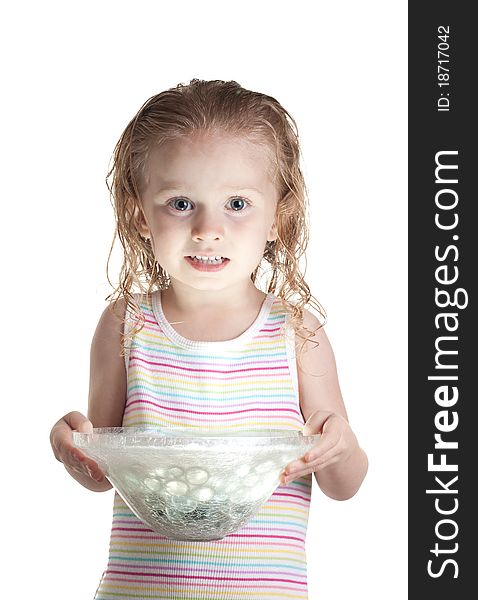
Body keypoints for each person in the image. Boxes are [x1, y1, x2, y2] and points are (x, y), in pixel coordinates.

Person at [50, 79, 368, 599]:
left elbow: (344, 484)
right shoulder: (126, 324)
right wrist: (73, 447)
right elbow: (104, 474)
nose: (207, 228)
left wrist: (339, 445)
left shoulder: (295, 333)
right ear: (139, 214)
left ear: (277, 219)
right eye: (180, 203)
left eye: (237, 204)